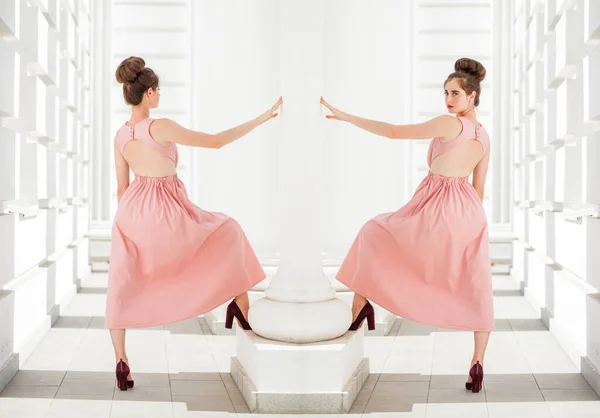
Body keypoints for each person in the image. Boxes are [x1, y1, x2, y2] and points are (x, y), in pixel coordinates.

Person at [105, 56, 282, 391]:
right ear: (148, 93)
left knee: (121, 284)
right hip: (168, 209)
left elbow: (121, 186)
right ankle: (238, 301)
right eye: (158, 91)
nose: (159, 96)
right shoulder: (161, 126)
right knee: (226, 229)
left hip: (130, 213)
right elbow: (214, 141)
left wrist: (129, 226)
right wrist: (259, 120)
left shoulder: (119, 135)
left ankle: (120, 360)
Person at [321, 58, 493, 394]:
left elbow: (394, 132)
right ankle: (478, 362)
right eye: (446, 92)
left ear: (472, 96)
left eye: (456, 93)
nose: (449, 99)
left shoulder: (449, 124)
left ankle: (362, 301)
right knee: (476, 285)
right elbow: (480, 189)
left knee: (375, 231)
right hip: (470, 213)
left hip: (438, 204)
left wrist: (346, 117)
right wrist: (468, 227)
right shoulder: (485, 137)